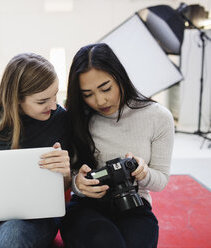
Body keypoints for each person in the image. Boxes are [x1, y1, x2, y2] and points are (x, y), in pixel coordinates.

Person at [60, 43, 174, 248]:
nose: (99, 100)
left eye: (106, 88)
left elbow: (161, 180)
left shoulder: (158, 117)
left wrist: (143, 173)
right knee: (104, 241)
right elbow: (67, 174)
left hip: (134, 204)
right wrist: (78, 183)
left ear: (119, 77)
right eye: (87, 94)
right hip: (86, 207)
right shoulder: (75, 117)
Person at [0, 52, 71, 248]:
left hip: (41, 215)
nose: (53, 104)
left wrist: (66, 173)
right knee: (10, 237)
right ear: (16, 99)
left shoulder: (60, 119)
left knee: (14, 234)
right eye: (42, 101)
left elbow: (66, 185)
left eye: (55, 94)